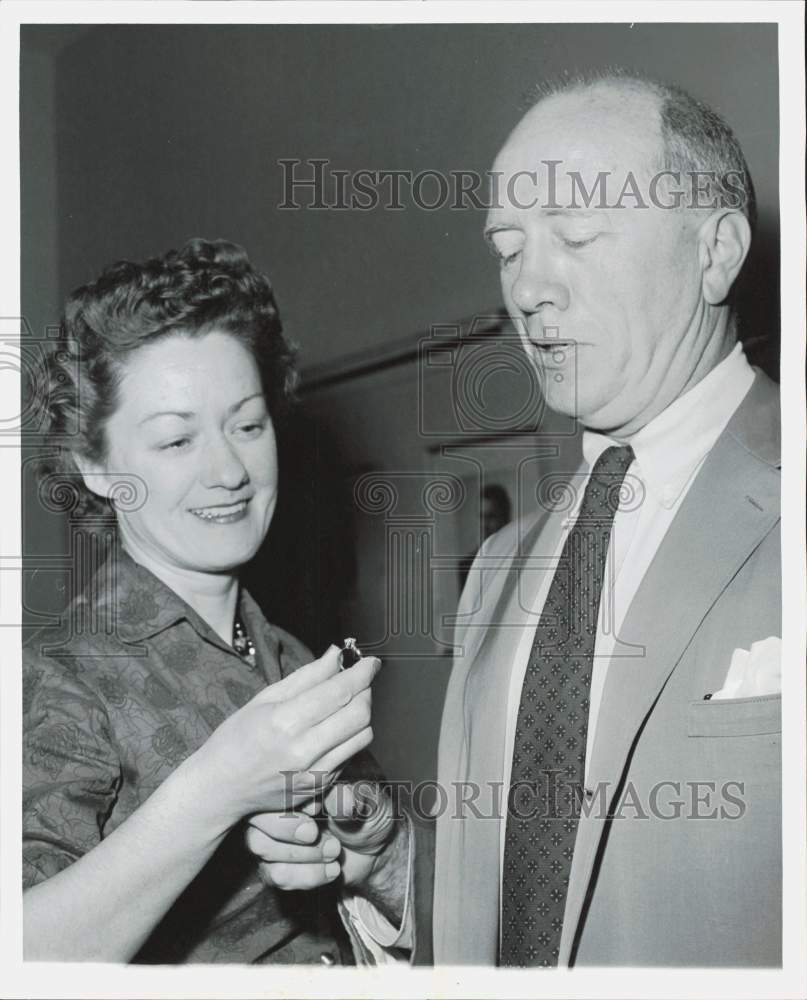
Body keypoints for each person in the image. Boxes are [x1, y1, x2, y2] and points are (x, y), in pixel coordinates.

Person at [256, 71, 781, 969]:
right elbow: (512, 908)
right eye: (507, 246)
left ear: (715, 251)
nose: (527, 286)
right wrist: (392, 865)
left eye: (574, 235)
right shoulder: (501, 568)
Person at [22, 238, 410, 963]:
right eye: (176, 440)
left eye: (247, 425)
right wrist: (214, 791)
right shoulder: (57, 678)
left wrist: (366, 851)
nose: (229, 470)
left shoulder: (294, 657)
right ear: (97, 465)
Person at [457, 484, 512, 590]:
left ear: (506, 519)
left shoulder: (518, 560)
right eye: (481, 516)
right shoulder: (465, 567)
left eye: (491, 517)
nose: (484, 524)